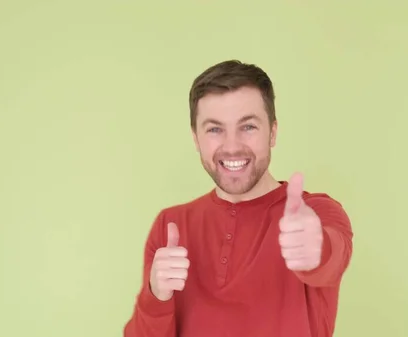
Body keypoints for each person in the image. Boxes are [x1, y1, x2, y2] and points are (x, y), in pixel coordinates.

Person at [123, 60, 354, 337]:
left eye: (248, 127)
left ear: (273, 132)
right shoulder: (170, 225)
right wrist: (156, 295)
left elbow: (333, 256)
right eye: (214, 129)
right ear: (196, 138)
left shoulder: (317, 212)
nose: (232, 146)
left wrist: (316, 251)